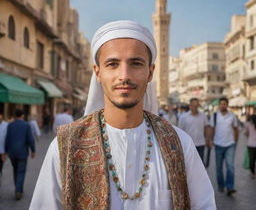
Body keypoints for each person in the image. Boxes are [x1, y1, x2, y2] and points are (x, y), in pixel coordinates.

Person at [30, 20, 216, 209]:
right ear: (98, 72)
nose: (124, 75)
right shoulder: (66, 147)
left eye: (136, 63)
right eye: (112, 64)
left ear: (150, 72)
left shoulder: (180, 144)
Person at [209, 97, 239, 196]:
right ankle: (221, 185)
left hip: (230, 144)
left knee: (230, 166)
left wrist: (235, 141)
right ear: (219, 105)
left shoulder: (232, 116)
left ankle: (230, 186)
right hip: (218, 144)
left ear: (227, 105)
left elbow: (236, 129)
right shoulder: (215, 116)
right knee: (219, 167)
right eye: (221, 104)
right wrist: (210, 140)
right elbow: (212, 129)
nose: (223, 105)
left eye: (224, 104)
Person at [4, 109, 35, 200]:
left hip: (12, 153)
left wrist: (5, 151)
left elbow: (7, 139)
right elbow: (30, 139)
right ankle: (18, 190)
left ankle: (18, 189)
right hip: (22, 152)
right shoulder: (26, 125)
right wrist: (33, 150)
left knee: (15, 170)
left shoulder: (10, 125)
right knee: (21, 171)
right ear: (22, 115)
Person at [178, 98, 210, 163]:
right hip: (188, 144)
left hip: (201, 143)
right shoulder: (183, 117)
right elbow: (180, 131)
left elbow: (206, 128)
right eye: (194, 106)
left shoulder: (203, 116)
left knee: (200, 163)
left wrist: (207, 140)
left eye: (197, 106)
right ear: (190, 106)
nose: (195, 107)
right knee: (189, 164)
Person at [244, 114, 256, 179]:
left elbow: (246, 134)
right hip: (251, 145)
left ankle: (253, 173)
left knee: (252, 160)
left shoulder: (249, 125)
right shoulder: (249, 125)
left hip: (250, 145)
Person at [0, 113, 8, 182]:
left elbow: (7, 138)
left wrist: (5, 152)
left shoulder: (6, 125)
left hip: (2, 151)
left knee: (0, 166)